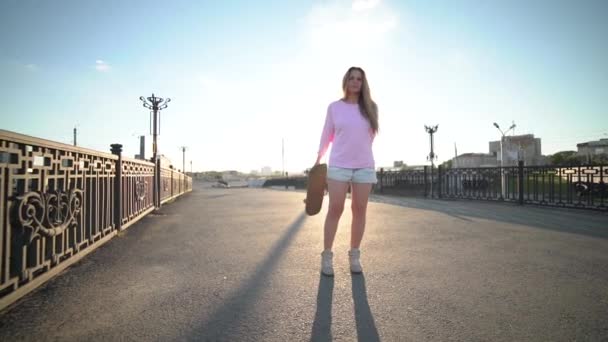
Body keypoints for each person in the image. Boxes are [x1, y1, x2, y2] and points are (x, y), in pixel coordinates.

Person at [314, 66, 379, 276]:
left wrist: (359, 154)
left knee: (359, 211)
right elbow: (327, 134)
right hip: (339, 165)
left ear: (363, 83)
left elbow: (370, 136)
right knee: (335, 209)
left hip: (364, 166)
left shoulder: (371, 107)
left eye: (359, 79)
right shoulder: (334, 107)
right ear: (346, 81)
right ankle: (327, 256)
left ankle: (354, 256)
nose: (355, 82)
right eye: (351, 78)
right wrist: (318, 158)